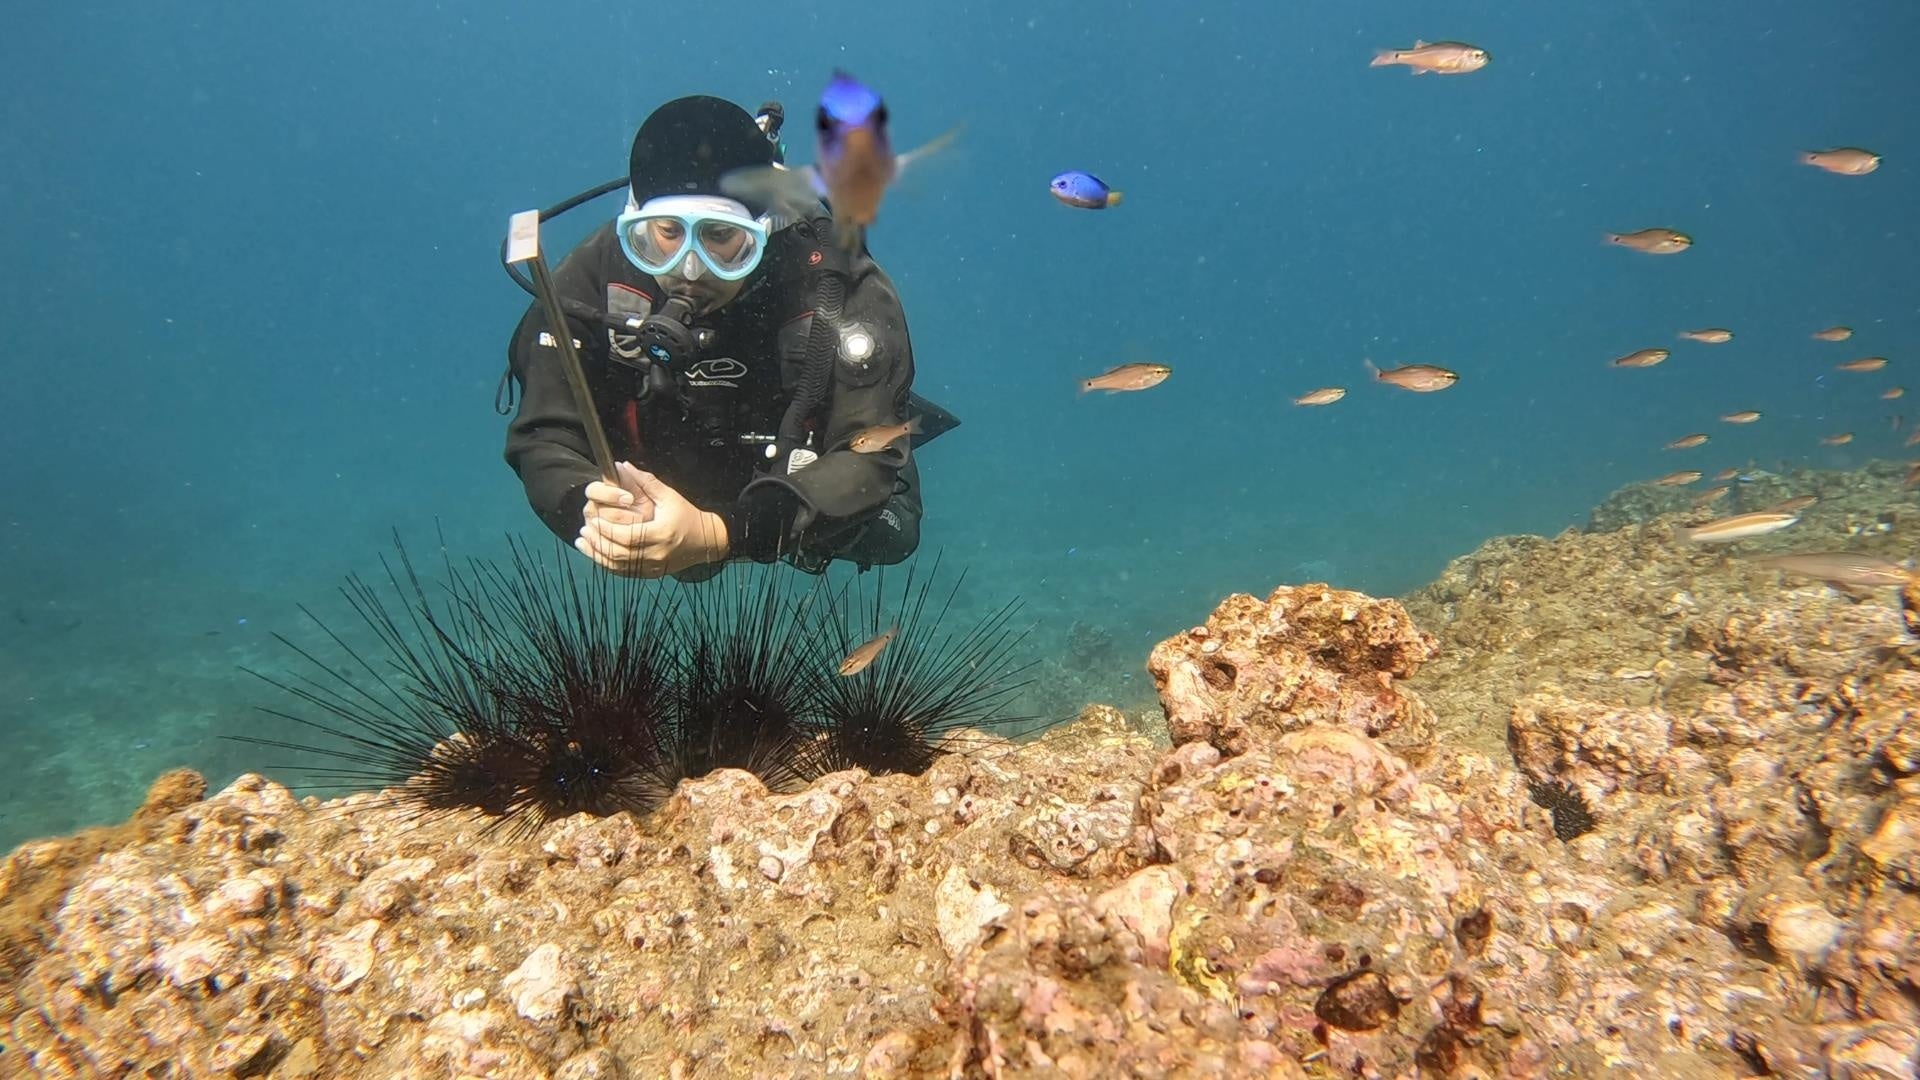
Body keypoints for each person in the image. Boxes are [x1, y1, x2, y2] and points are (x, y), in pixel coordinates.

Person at [501, 95, 952, 580]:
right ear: (635, 223)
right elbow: (544, 434)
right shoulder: (593, 276)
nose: (690, 269)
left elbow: (867, 458)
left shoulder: (834, 283)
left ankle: (779, 522)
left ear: (766, 227)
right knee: (688, 562)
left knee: (893, 535)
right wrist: (593, 515)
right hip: (663, 465)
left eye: (720, 236)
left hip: (794, 474)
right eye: (667, 232)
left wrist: (720, 535)